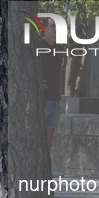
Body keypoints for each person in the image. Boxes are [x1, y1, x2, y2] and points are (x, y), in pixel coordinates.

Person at [39, 18, 64, 151]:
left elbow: (60, 70)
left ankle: (46, 162)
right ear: (45, 29)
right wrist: (37, 83)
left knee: (50, 133)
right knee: (39, 132)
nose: (55, 30)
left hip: (55, 97)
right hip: (42, 97)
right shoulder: (38, 47)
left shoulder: (59, 49)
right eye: (52, 26)